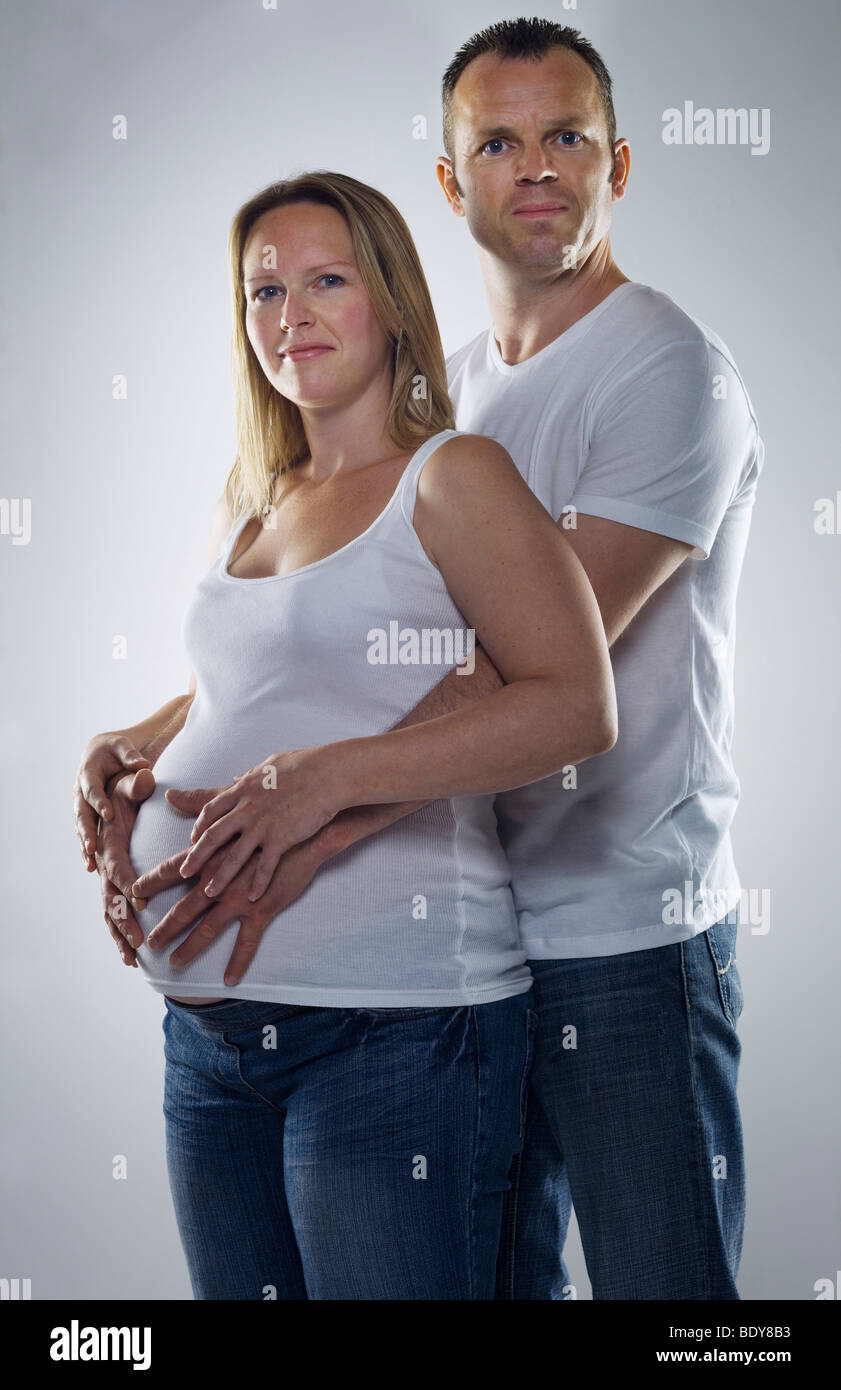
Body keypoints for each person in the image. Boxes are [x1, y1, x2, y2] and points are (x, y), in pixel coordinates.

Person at [77, 17, 764, 1301]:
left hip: (622, 931)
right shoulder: (451, 387)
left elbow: (529, 673)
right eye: (497, 143)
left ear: (620, 162)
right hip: (480, 918)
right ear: (450, 185)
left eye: (567, 135)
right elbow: (345, 657)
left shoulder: (669, 373)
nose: (537, 168)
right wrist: (166, 735)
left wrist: (302, 823)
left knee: (669, 1307)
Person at [73, 169, 616, 1300]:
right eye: (263, 291)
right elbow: (267, 673)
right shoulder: (254, 493)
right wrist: (143, 739)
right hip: (210, 1049)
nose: (292, 315)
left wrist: (320, 783)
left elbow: (574, 699)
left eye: (327, 281)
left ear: (391, 302)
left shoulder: (449, 477)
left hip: (393, 1035)